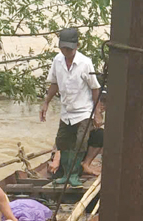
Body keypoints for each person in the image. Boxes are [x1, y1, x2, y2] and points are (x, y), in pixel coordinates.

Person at [40, 28, 102, 184]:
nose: (66, 51)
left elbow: (95, 88)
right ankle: (66, 174)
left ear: (77, 46)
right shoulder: (57, 61)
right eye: (63, 48)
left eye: (69, 48)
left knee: (79, 143)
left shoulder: (85, 63)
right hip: (66, 111)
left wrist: (97, 112)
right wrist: (46, 102)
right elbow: (54, 83)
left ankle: (74, 175)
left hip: (83, 111)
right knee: (63, 143)